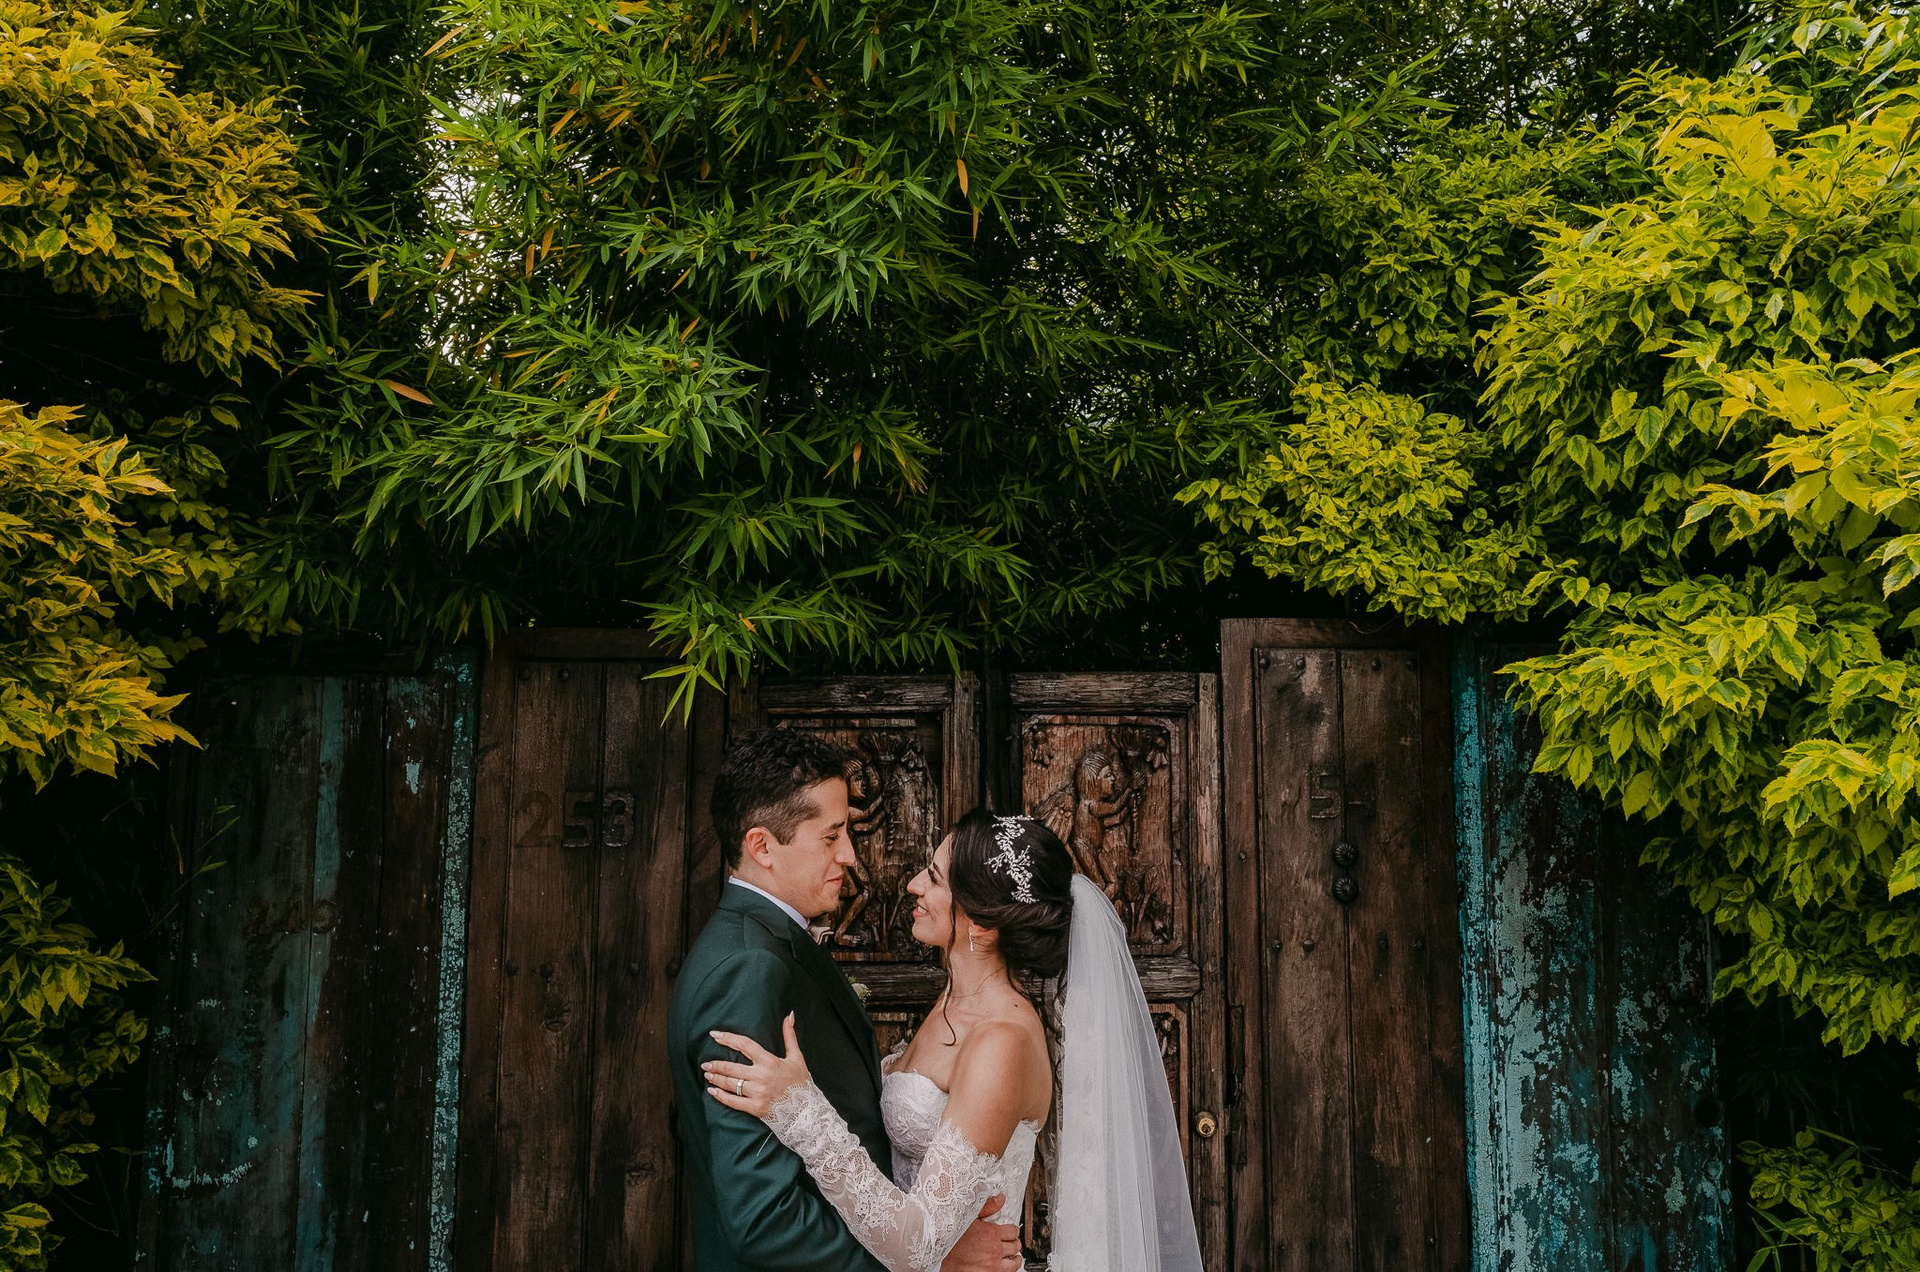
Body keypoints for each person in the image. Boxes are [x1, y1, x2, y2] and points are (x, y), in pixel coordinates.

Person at [704, 808, 1205, 1272]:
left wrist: (799, 1110)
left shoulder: (1001, 1041)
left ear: (981, 924)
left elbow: (918, 1243)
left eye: (935, 878)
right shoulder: (951, 1004)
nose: (912, 885)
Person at [667, 729, 1022, 1272]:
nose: (851, 855)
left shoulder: (767, 945)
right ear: (762, 847)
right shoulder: (749, 969)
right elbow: (764, 1219)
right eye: (830, 836)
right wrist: (929, 1260)